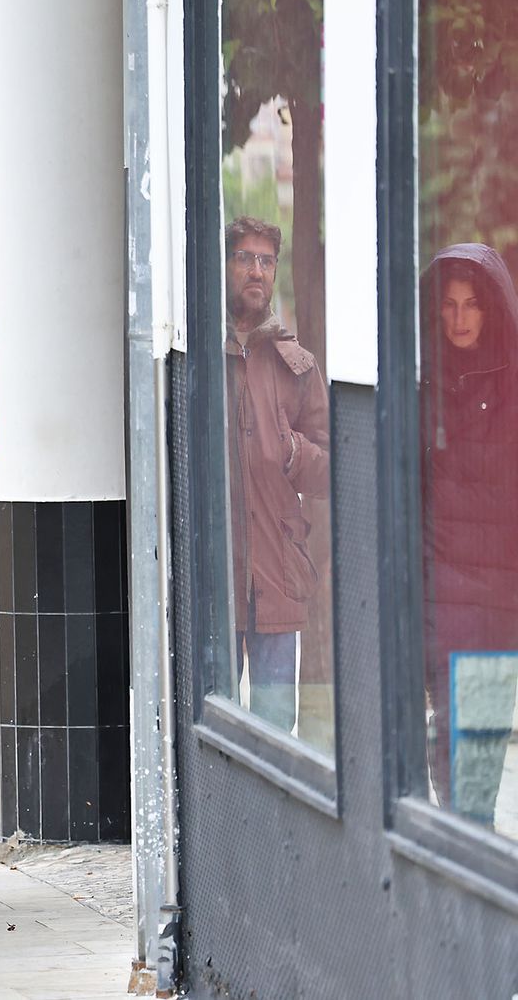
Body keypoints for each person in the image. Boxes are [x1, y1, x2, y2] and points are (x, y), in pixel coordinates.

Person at [419, 244, 518, 824]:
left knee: (484, 721)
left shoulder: (512, 386)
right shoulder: (421, 379)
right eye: (449, 305)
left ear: (490, 310)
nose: (459, 319)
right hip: (441, 591)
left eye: (471, 306)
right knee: (450, 722)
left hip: (497, 592)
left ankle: (468, 832)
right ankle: (459, 829)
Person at [223, 215, 330, 734]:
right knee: (212, 731)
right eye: (244, 257)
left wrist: (294, 452)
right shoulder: (199, 357)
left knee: (272, 736)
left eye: (266, 261)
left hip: (279, 575)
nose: (256, 270)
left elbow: (331, 468)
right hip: (215, 578)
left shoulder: (298, 365)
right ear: (224, 265)